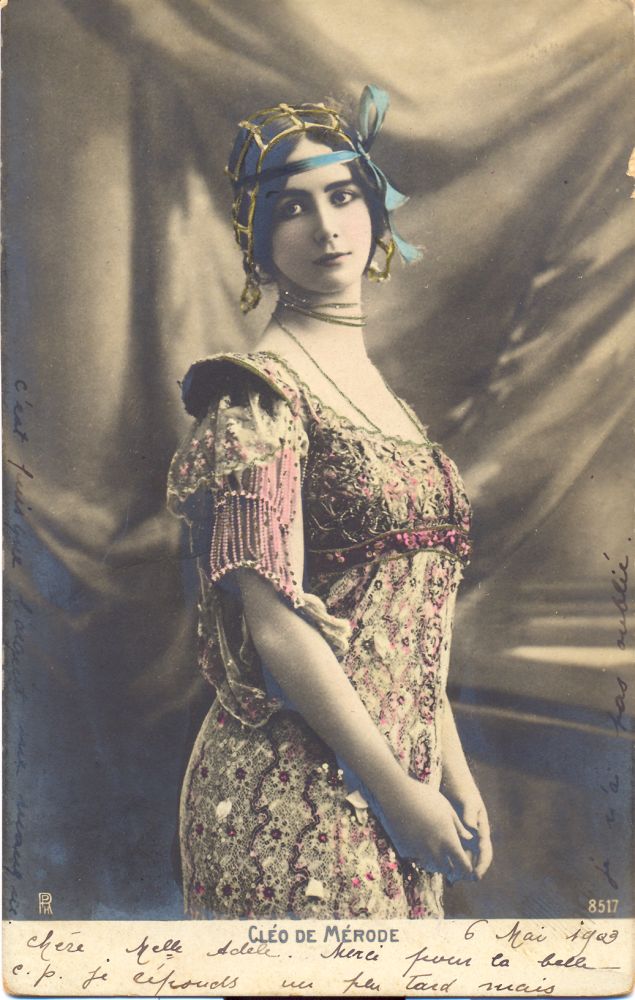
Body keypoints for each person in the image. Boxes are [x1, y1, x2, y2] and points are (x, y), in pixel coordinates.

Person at [167, 85, 492, 919]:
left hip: (397, 782)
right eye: (291, 207)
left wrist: (451, 773)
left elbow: (403, 622)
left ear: (376, 209)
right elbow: (276, 629)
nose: (326, 227)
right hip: (290, 793)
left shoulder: (384, 401)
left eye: (343, 195)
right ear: (256, 237)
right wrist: (399, 795)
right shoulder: (255, 398)